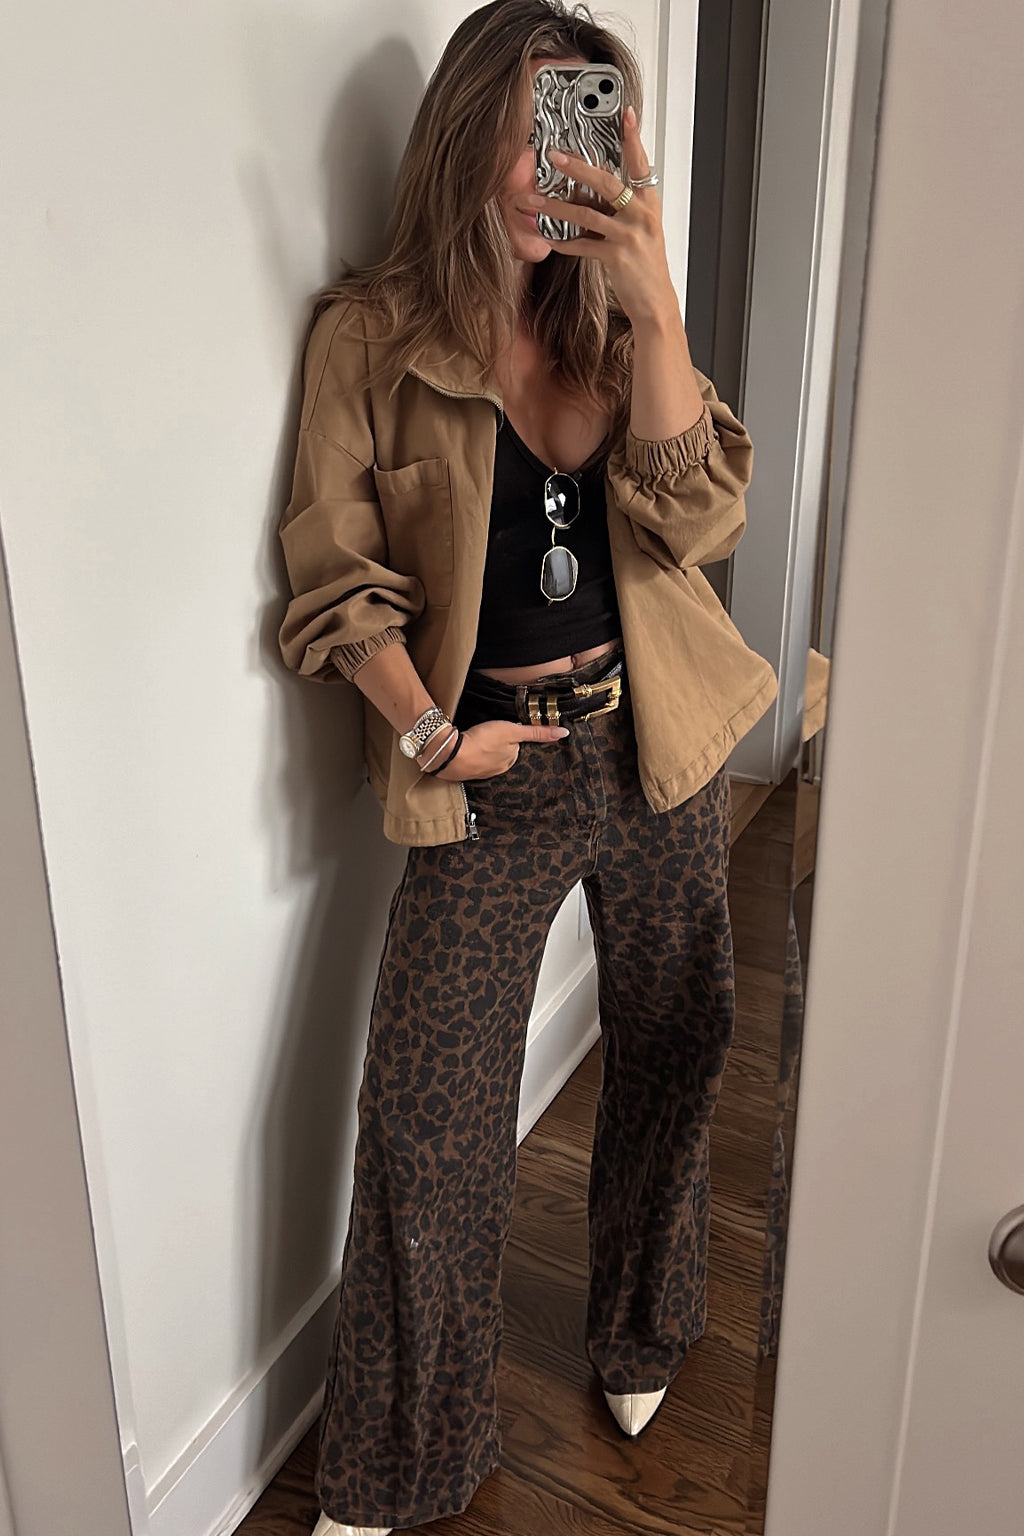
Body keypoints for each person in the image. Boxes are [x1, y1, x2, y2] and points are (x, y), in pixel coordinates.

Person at [277, 3, 778, 1532]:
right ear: (469, 131)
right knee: (426, 1122)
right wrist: (432, 731)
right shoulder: (369, 337)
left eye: (589, 130)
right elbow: (334, 580)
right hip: (490, 770)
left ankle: (643, 1329)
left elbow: (703, 523)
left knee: (677, 1039)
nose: (562, 167)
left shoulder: (615, 316)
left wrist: (657, 305)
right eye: (538, 129)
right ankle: (403, 1453)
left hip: (655, 741)